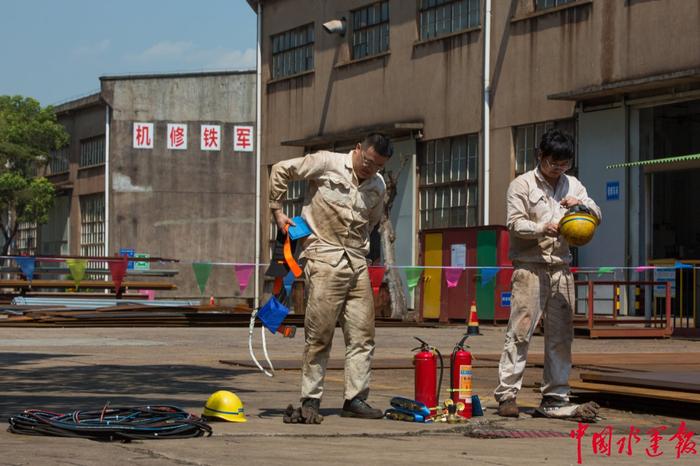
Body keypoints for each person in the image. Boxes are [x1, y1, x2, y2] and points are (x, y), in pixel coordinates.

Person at [269, 133, 392, 423]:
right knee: (320, 333)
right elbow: (281, 170)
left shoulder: (378, 185)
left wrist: (364, 253)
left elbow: (371, 223)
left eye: (377, 166)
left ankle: (356, 398)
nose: (369, 169)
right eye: (367, 161)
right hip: (324, 256)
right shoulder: (326, 163)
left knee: (363, 334)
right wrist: (277, 211)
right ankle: (310, 399)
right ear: (358, 149)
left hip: (356, 260)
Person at [494, 128, 602, 419]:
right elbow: (514, 224)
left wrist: (581, 205)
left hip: (561, 268)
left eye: (564, 164)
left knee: (561, 335)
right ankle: (507, 395)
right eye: (554, 163)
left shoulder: (573, 185)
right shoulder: (522, 185)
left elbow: (596, 212)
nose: (558, 169)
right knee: (520, 331)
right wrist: (543, 227)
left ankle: (555, 395)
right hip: (529, 266)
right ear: (540, 156)